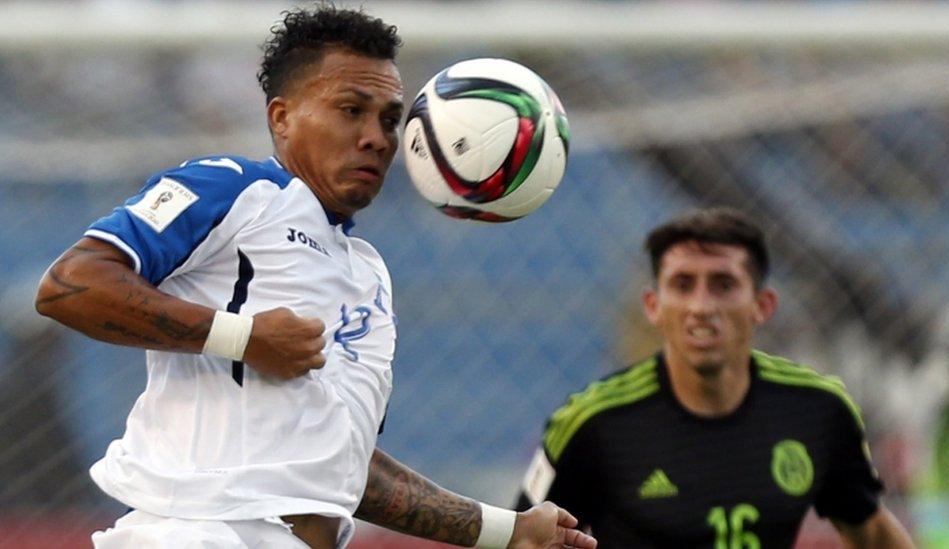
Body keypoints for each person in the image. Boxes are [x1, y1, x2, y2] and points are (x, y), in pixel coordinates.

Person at [34, 5, 596, 549]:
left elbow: (339, 466)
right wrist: (242, 338)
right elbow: (70, 285)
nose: (377, 137)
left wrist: (508, 532)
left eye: (389, 119)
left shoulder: (368, 275)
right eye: (350, 110)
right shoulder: (234, 189)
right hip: (201, 532)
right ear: (281, 117)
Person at [515, 207, 914, 548]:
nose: (702, 306)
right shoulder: (590, 422)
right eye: (683, 285)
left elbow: (873, 531)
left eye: (723, 285)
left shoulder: (818, 410)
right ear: (653, 306)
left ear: (762, 305)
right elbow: (524, 537)